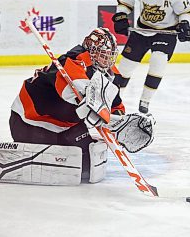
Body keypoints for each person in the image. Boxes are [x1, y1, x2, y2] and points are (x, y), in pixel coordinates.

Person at [9, 28, 154, 183]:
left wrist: (120, 121)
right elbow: (76, 94)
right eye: (103, 55)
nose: (107, 61)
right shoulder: (70, 61)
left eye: (110, 56)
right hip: (28, 123)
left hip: (61, 126)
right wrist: (93, 103)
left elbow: (115, 105)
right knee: (77, 163)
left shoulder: (109, 74)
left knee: (87, 161)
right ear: (91, 51)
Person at [112, 0, 190, 114]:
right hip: (143, 29)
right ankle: (114, 100)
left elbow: (185, 11)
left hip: (166, 32)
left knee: (158, 61)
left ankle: (145, 102)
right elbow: (124, 3)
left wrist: (185, 24)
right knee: (125, 67)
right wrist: (121, 16)